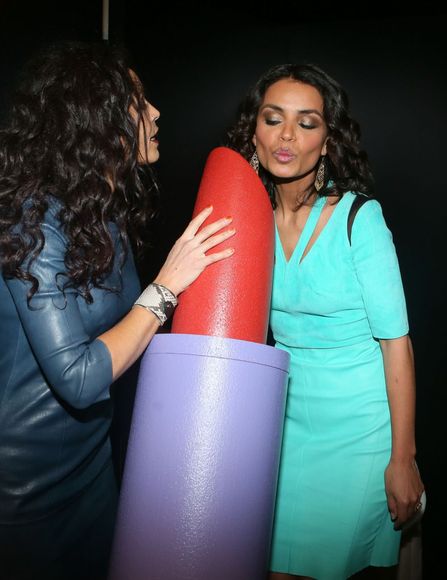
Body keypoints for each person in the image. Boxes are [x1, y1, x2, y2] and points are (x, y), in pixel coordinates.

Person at [0, 42, 235, 580]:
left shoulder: (102, 217)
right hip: (24, 494)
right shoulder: (32, 221)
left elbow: (128, 336)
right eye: (138, 102)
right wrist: (165, 287)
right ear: (93, 116)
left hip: (91, 473)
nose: (155, 113)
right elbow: (81, 378)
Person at [226, 63, 424, 580]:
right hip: (284, 427)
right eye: (274, 119)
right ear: (255, 132)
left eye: (307, 122)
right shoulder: (248, 219)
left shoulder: (362, 219)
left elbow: (396, 344)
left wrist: (402, 459)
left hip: (358, 431)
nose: (288, 135)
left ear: (328, 140)